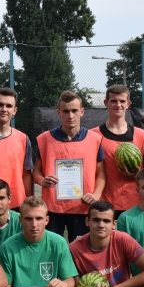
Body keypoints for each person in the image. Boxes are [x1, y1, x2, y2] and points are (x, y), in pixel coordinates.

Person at [34, 90, 105, 242]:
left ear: (82, 111)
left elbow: (101, 174)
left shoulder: (95, 139)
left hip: (83, 206)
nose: (70, 115)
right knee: (52, 248)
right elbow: (36, 171)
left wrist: (96, 195)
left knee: (81, 250)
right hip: (53, 207)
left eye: (74, 110)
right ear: (58, 112)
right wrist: (42, 181)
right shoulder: (44, 139)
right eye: (66, 111)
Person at [91, 85, 144, 218]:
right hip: (105, 205)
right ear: (106, 103)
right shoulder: (93, 135)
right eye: (113, 101)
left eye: (122, 101)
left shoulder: (141, 135)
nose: (118, 105)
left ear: (128, 104)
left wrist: (136, 174)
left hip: (136, 204)